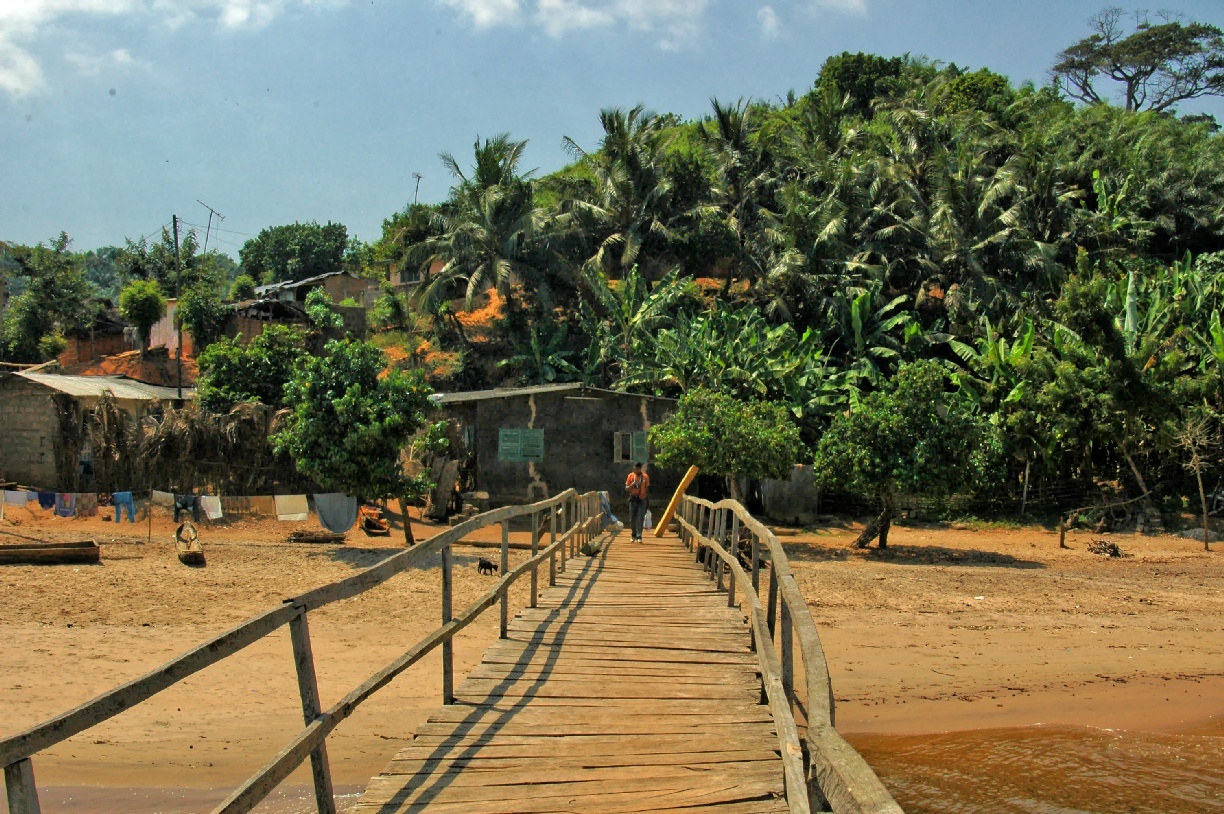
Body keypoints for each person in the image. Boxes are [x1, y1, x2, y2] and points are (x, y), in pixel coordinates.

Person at [625, 462, 650, 542]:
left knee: (640, 517)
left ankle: (639, 536)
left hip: (642, 499)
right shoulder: (630, 476)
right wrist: (632, 484)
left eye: (638, 469)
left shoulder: (645, 476)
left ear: (640, 468)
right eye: (635, 469)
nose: (636, 470)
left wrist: (645, 497)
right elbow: (626, 488)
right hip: (633, 498)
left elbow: (647, 488)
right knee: (632, 518)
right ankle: (633, 534)